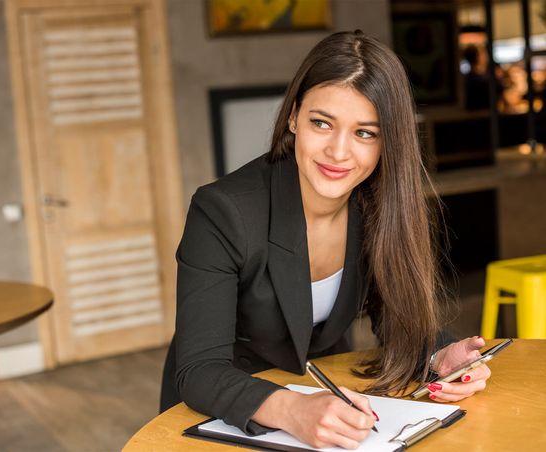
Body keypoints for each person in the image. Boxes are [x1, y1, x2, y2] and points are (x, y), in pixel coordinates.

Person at [160, 30, 491, 450]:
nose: (338, 152)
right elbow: (200, 369)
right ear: (294, 117)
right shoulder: (222, 211)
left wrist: (437, 358)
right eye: (322, 123)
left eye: (365, 133)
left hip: (326, 407)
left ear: (387, 142)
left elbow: (394, 318)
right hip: (223, 415)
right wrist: (292, 410)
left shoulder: (380, 206)